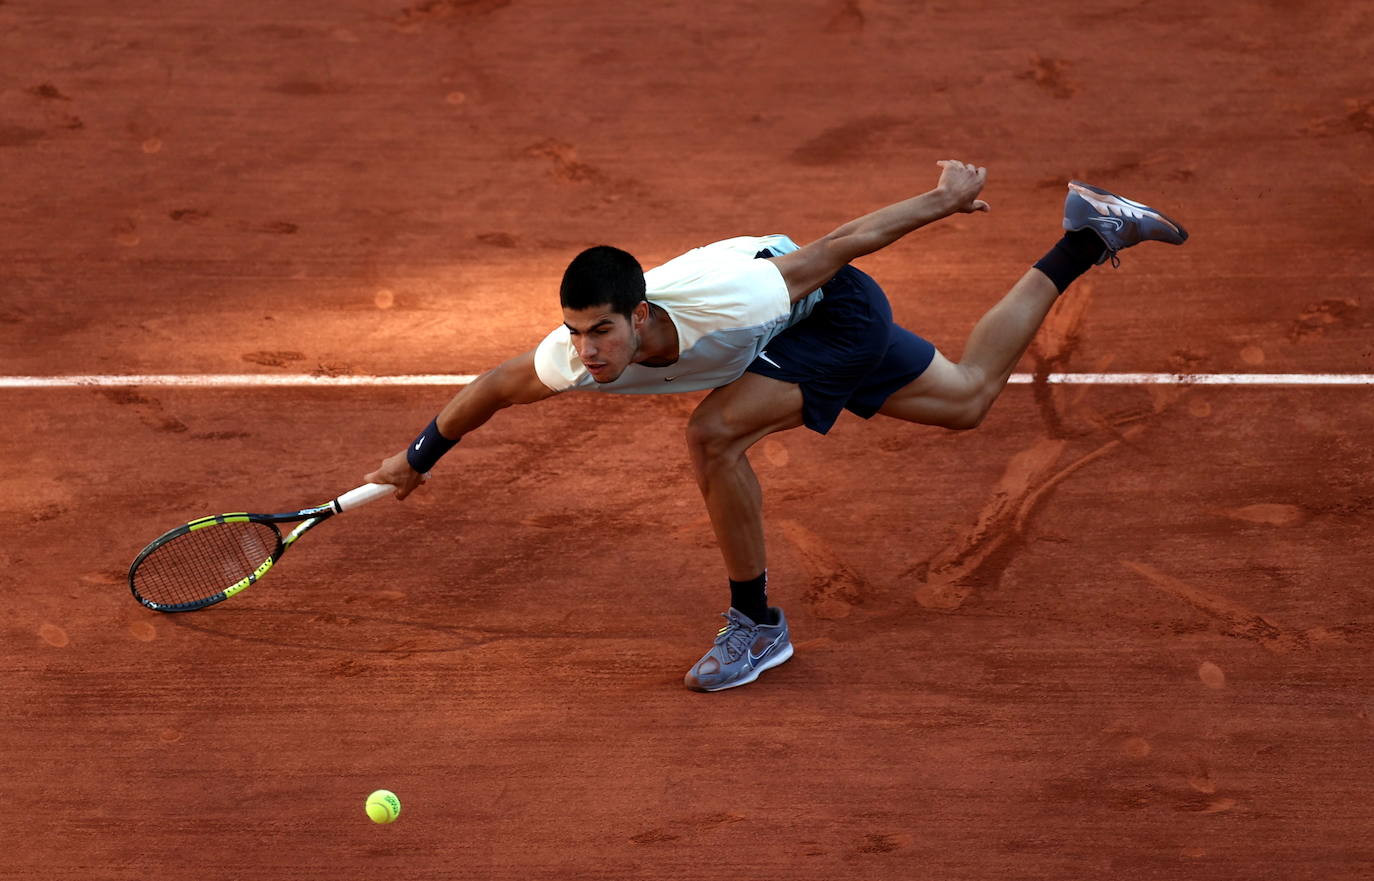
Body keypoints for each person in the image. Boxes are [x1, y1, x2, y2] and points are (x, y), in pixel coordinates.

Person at [364, 161, 1188, 692]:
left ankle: (755, 624)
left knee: (712, 434)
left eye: (602, 333)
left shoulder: (734, 293)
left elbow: (844, 244)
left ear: (641, 314)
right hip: (794, 343)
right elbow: (496, 386)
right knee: (969, 397)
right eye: (576, 333)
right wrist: (417, 458)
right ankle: (1086, 235)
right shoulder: (573, 356)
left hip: (830, 315)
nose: (588, 352)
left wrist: (941, 199)